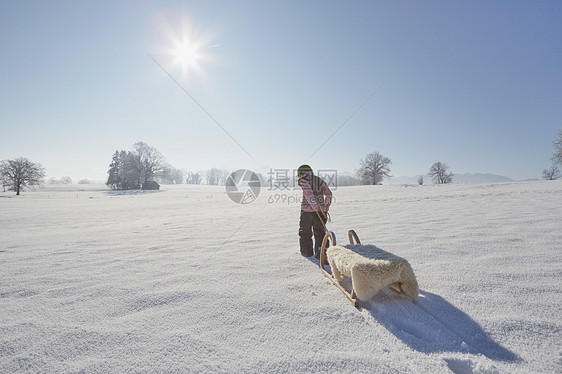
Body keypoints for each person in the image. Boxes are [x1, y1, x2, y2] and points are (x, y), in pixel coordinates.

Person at [297, 165, 332, 258]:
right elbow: (328, 193)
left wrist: (314, 206)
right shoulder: (319, 180)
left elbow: (308, 193)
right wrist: (326, 206)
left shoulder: (303, 180)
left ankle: (307, 253)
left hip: (307, 212)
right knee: (320, 233)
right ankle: (322, 255)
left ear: (300, 173)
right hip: (321, 211)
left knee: (305, 232)